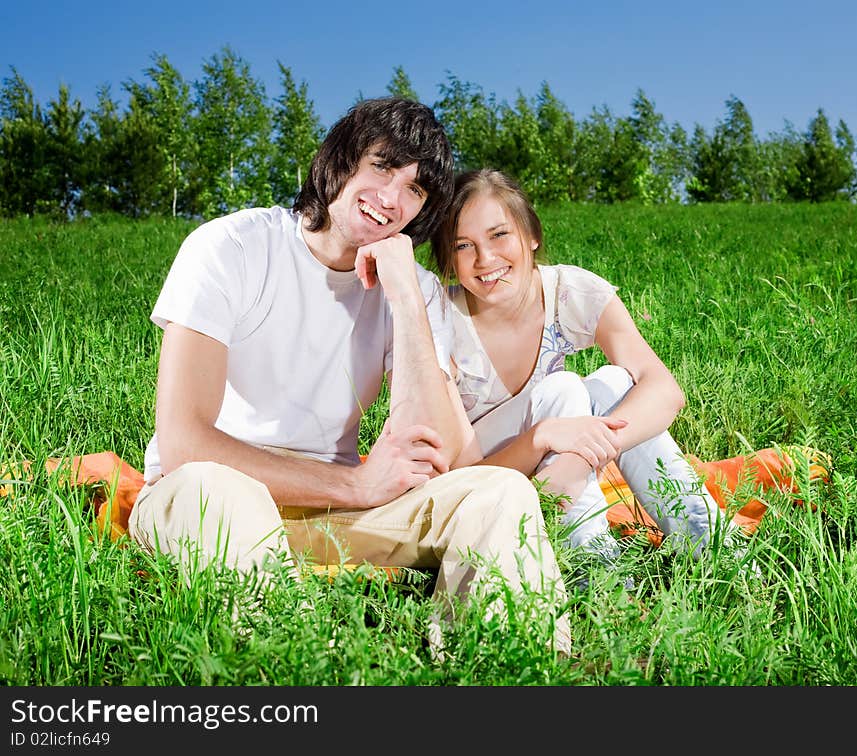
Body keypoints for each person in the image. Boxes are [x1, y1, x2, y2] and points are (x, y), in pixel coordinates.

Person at [127, 99, 570, 655]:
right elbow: (187, 444)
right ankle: (313, 665)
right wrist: (356, 484)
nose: (391, 198)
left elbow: (438, 453)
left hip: (335, 515)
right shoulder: (230, 247)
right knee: (213, 489)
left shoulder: (411, 286)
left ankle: (507, 665)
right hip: (212, 495)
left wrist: (406, 296)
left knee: (499, 492)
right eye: (383, 166)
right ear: (338, 161)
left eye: (415, 190)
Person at [431, 168, 742, 572]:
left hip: (561, 478)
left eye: (499, 235)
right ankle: (597, 575)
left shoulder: (568, 291)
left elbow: (664, 389)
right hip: (488, 488)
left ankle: (718, 550)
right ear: (449, 259)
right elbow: (459, 478)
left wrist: (578, 462)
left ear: (531, 235)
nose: (485, 259)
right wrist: (543, 441)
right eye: (463, 245)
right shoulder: (439, 322)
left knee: (615, 382)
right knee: (562, 389)